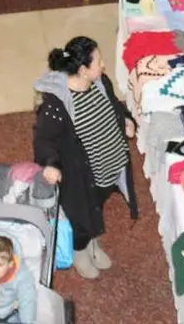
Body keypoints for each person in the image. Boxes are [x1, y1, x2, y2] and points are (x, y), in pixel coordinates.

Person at [33, 36, 138, 280]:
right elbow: (43, 139)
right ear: (82, 70)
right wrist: (50, 164)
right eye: (98, 61)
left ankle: (93, 243)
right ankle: (81, 250)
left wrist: (125, 120)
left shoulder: (100, 82)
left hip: (107, 167)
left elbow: (114, 106)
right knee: (81, 215)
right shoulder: (56, 105)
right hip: (81, 174)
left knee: (96, 207)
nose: (103, 66)